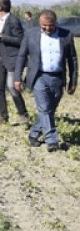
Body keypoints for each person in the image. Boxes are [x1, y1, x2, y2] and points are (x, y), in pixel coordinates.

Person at [14, 9, 77, 151]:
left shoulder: (66, 35)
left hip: (58, 78)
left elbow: (72, 59)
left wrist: (73, 80)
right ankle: (52, 140)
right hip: (39, 77)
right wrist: (18, 77)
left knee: (49, 110)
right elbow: (21, 56)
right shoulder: (31, 34)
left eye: (51, 25)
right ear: (39, 23)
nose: (48, 29)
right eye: (44, 26)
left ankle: (33, 134)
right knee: (44, 108)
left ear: (56, 23)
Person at [0, 0, 29, 125]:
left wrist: (2, 36)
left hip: (12, 58)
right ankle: (3, 117)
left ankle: (23, 114)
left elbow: (20, 40)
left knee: (12, 87)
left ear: (2, 6)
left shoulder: (13, 21)